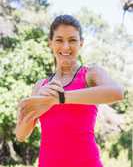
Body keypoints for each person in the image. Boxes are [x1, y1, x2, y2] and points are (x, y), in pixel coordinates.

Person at [15, 14, 124, 167]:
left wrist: (60, 98)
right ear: (50, 43)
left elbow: (117, 92)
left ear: (81, 43)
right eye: (59, 40)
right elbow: (21, 135)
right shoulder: (40, 86)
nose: (66, 46)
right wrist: (31, 110)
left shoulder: (90, 74)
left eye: (72, 40)